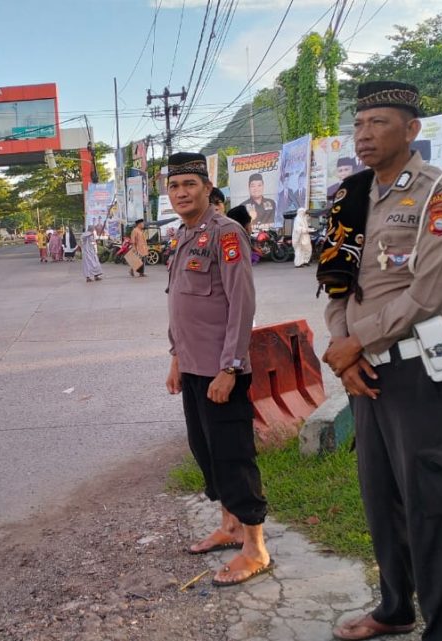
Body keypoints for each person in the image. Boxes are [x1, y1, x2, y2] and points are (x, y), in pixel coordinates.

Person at [318, 81, 442, 641]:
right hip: (364, 373)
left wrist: (357, 343)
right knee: (381, 499)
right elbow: (336, 285)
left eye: (378, 123)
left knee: (432, 501)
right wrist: (345, 354)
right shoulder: (350, 196)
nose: (364, 134)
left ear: (411, 129)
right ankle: (395, 608)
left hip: (414, 371)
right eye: (358, 125)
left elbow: (428, 291)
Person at [164, 152, 269, 587]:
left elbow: (240, 304)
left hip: (221, 369)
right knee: (206, 451)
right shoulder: (185, 236)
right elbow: (183, 304)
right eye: (173, 186)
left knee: (233, 455)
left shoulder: (226, 234)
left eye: (189, 184)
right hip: (193, 367)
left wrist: (230, 368)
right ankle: (229, 527)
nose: (181, 193)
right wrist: (176, 359)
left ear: (208, 188)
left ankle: (256, 548)